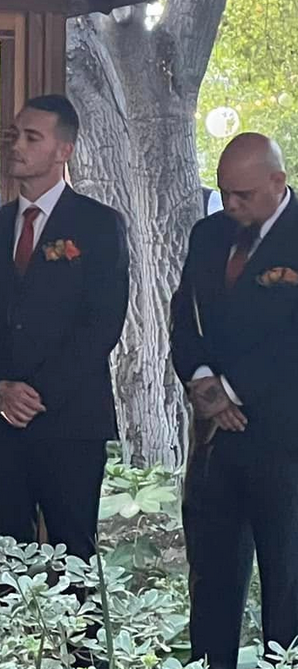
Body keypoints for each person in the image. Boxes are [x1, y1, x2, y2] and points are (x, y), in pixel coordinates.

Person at [0, 95, 129, 562]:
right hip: (2, 419)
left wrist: (35, 393)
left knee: (72, 558)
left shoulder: (98, 224)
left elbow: (102, 322)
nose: (16, 146)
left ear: (63, 150)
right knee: (4, 557)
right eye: (15, 135)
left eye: (32, 137)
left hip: (70, 419)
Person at [171, 132, 298, 668]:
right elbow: (184, 316)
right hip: (214, 442)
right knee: (211, 585)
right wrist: (203, 381)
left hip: (284, 442)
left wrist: (232, 389)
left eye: (243, 194)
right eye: (224, 192)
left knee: (287, 587)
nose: (230, 204)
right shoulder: (208, 234)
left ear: (278, 181)